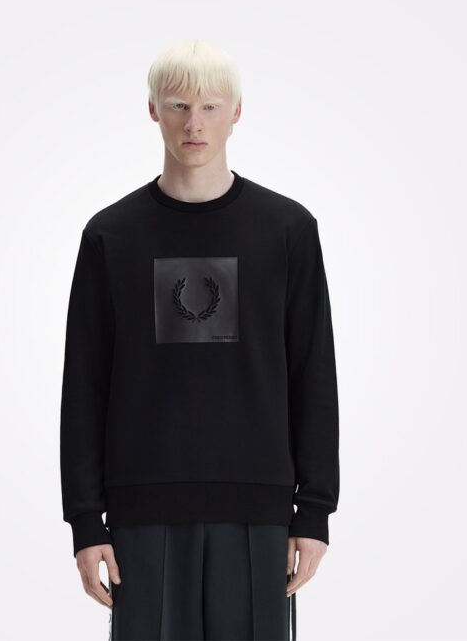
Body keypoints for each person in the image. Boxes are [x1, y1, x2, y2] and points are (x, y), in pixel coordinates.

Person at [60, 38, 340, 641]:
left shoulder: (288, 230)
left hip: (259, 510)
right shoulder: (110, 236)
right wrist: (85, 519)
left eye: (211, 107)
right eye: (178, 106)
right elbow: (83, 384)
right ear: (153, 110)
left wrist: (314, 510)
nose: (194, 124)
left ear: (236, 112)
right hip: (140, 509)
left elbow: (313, 373)